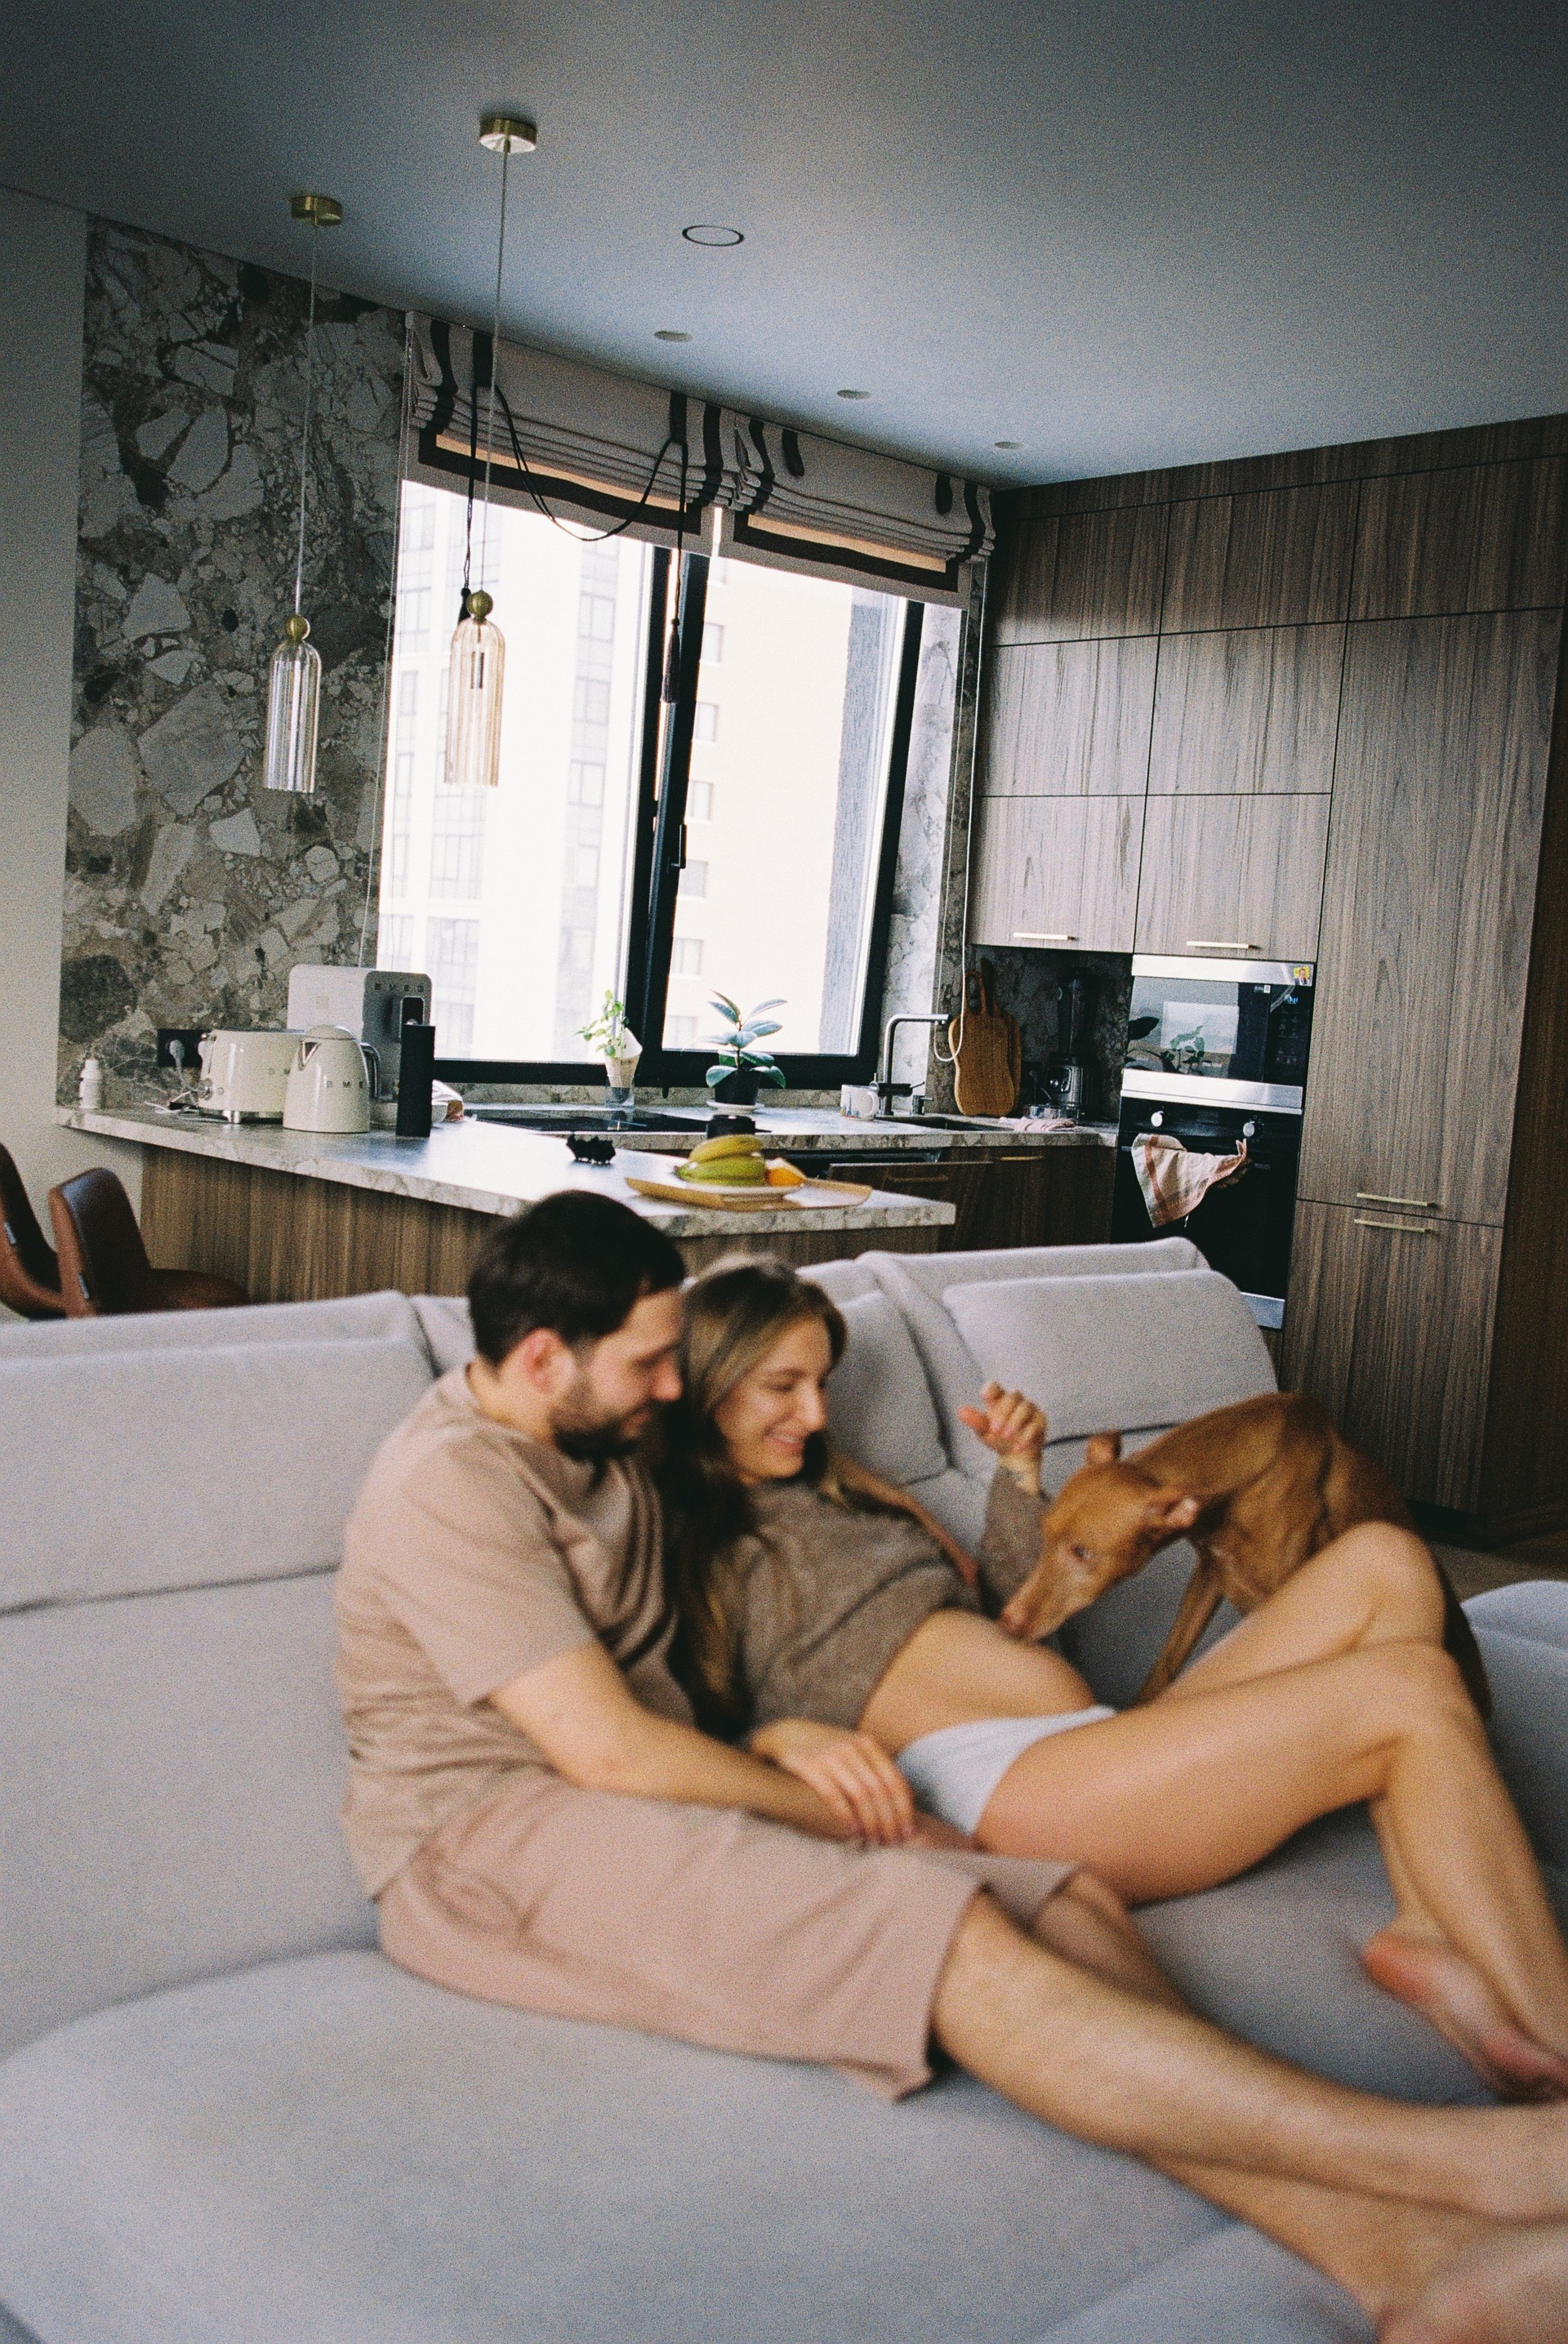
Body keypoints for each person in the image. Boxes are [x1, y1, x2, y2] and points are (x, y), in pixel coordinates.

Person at [336, 1192, 1568, 2344]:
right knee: (957, 1922)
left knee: (1071, 1900)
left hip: (697, 1785)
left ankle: (1404, 2259)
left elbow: (668, 1697)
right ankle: (1484, 2165)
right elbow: (609, 1741)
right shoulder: (482, 1480)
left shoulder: (614, 1448)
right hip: (494, 1829)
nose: (673, 1386)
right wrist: (817, 1780)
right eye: (663, 1364)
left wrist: (1017, 1490)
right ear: (544, 1357)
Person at [659, 1254, 1568, 2111]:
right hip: (997, 1790)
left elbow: (1011, 1612)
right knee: (1412, 1690)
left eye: (822, 1383)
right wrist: (775, 1740)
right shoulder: (686, 1532)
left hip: (1093, 1741)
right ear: (708, 1380)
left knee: (1388, 1561)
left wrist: (1018, 1480)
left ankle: (1425, 1927)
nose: (816, 1412)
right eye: (784, 1386)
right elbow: (652, 1717)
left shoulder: (849, 1492)